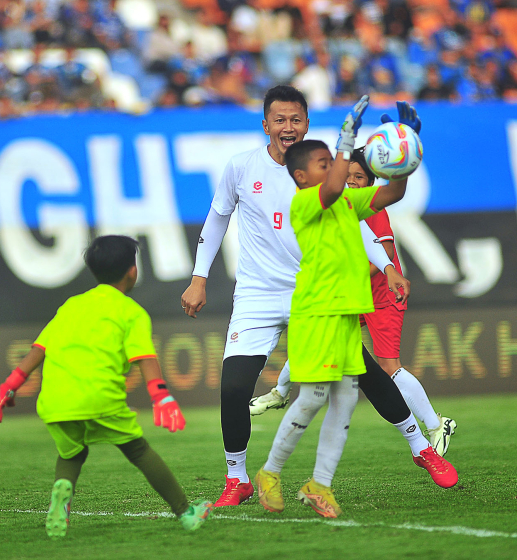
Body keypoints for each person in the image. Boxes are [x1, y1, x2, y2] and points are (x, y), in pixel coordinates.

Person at [181, 86, 431, 507]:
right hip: (258, 295)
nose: (288, 127)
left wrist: (387, 264)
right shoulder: (243, 167)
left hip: (313, 292)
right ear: (265, 125)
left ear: (307, 123)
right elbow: (217, 216)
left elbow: (359, 219)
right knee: (233, 388)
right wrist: (198, 277)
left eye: (295, 119)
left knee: (365, 373)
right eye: (280, 119)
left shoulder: (325, 174)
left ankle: (421, 447)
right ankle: (237, 477)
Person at [255, 99, 455, 519]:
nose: (335, 168)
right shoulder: (306, 204)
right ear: (300, 177)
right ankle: (270, 473)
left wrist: (408, 149)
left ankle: (318, 484)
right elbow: (330, 190)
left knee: (344, 403)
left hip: (346, 316)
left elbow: (393, 193)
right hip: (316, 315)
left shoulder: (347, 202)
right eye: (324, 162)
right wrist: (347, 141)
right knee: (311, 399)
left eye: (334, 161)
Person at [0, 235, 212, 537]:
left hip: (54, 401)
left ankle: (61, 498)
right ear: (133, 271)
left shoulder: (71, 305)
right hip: (100, 398)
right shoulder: (130, 312)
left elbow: (37, 352)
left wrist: (5, 390)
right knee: (138, 450)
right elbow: (145, 357)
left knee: (71, 454)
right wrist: (162, 397)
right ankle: (186, 512)